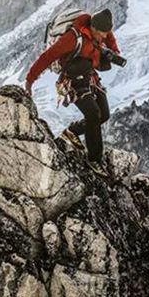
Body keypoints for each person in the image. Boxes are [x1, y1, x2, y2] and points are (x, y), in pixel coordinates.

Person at [24, 9, 120, 174]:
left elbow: (109, 36)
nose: (104, 37)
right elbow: (47, 57)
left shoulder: (100, 28)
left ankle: (72, 132)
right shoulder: (72, 38)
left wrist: (114, 51)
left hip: (89, 76)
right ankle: (94, 160)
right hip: (72, 80)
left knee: (104, 114)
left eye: (106, 33)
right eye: (102, 34)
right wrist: (29, 80)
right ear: (94, 28)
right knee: (93, 114)